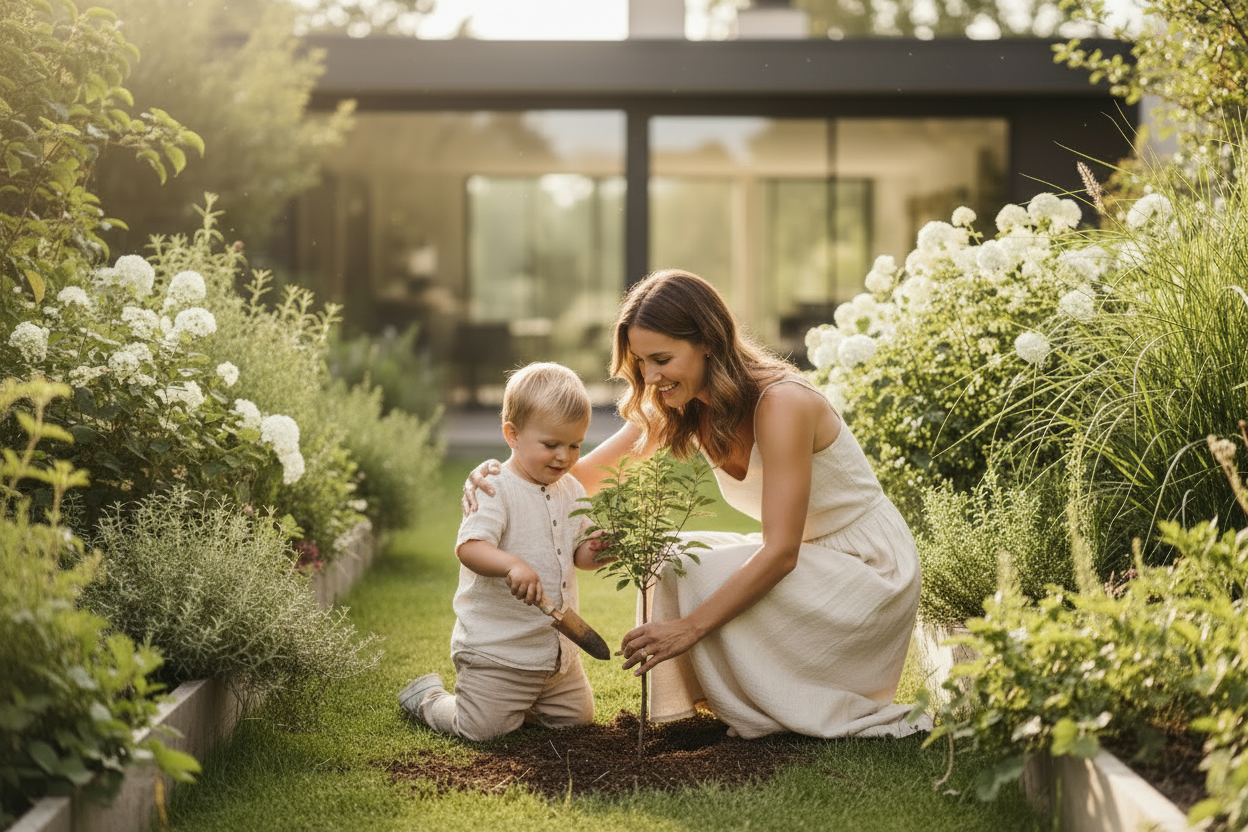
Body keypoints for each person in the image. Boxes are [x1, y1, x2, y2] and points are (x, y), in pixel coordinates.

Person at [463, 269, 928, 740]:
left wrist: (688, 628)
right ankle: (702, 707)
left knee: (700, 567)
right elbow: (584, 477)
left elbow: (781, 551)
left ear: (707, 340)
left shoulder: (781, 403)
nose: (650, 377)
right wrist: (499, 478)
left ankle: (767, 704)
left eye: (662, 358)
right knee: (667, 557)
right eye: (641, 362)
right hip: (812, 559)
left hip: (867, 569)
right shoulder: (677, 402)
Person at [400, 362, 611, 741]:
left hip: (556, 654)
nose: (564, 456)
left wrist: (602, 549)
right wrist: (511, 564)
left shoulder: (572, 490)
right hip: (501, 653)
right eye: (551, 445)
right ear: (512, 434)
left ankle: (527, 701)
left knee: (576, 722)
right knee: (481, 730)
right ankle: (429, 698)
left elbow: (579, 554)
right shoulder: (496, 486)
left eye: (575, 445)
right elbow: (470, 548)